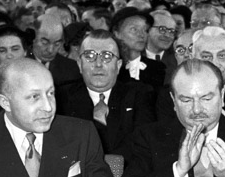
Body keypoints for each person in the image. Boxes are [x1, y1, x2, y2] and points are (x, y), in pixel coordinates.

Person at [56, 29, 156, 161]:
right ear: (80, 64)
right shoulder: (61, 98)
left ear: (119, 65)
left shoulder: (139, 94)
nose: (98, 64)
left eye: (107, 56)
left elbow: (143, 146)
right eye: (90, 56)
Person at [111, 7, 166, 90]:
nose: (142, 35)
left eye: (145, 30)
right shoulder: (110, 69)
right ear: (116, 33)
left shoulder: (157, 69)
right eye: (134, 29)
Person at [32, 15, 81, 87]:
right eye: (45, 43)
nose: (50, 50)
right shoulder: (20, 62)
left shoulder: (71, 69)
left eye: (57, 44)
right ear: (33, 37)